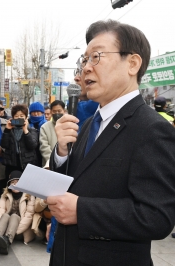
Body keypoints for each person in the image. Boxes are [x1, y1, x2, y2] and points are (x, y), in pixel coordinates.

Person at [46, 20, 175, 266]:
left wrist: (81, 211)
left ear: (133, 64)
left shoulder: (152, 129)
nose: (86, 68)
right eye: (84, 60)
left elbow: (157, 217)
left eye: (96, 57)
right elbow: (76, 180)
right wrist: (61, 152)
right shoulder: (88, 124)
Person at [0, 171, 35, 254]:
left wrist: (14, 231)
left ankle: (7, 240)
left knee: (14, 216)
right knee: (5, 215)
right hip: (5, 229)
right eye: (13, 182)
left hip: (20, 231)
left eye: (18, 182)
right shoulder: (5, 195)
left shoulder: (29, 196)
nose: (15, 185)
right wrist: (0, 228)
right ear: (9, 185)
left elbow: (29, 217)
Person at [0, 104, 39, 176]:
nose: (19, 118)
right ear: (13, 118)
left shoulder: (32, 130)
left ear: (26, 117)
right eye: (16, 116)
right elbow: (4, 145)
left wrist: (25, 130)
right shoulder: (9, 130)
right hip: (12, 164)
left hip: (28, 164)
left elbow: (33, 145)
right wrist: (7, 130)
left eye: (21, 116)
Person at [39, 100, 65, 168]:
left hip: (67, 164)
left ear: (64, 111)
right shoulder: (44, 127)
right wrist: (53, 161)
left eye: (59, 111)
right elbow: (44, 147)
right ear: (51, 112)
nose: (57, 113)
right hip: (50, 165)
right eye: (54, 111)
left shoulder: (69, 125)